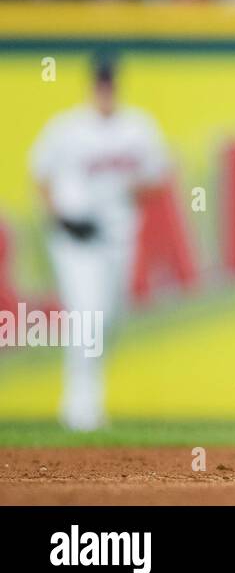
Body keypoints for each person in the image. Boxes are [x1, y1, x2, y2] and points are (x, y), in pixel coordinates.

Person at [29, 52, 169, 431]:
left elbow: (160, 177)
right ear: (92, 85)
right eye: (100, 82)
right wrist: (57, 213)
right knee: (88, 316)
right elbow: (39, 173)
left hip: (119, 236)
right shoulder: (68, 128)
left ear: (116, 84)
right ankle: (80, 409)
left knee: (111, 319)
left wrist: (129, 188)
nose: (105, 89)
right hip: (76, 236)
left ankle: (85, 402)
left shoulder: (137, 127)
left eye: (110, 82)